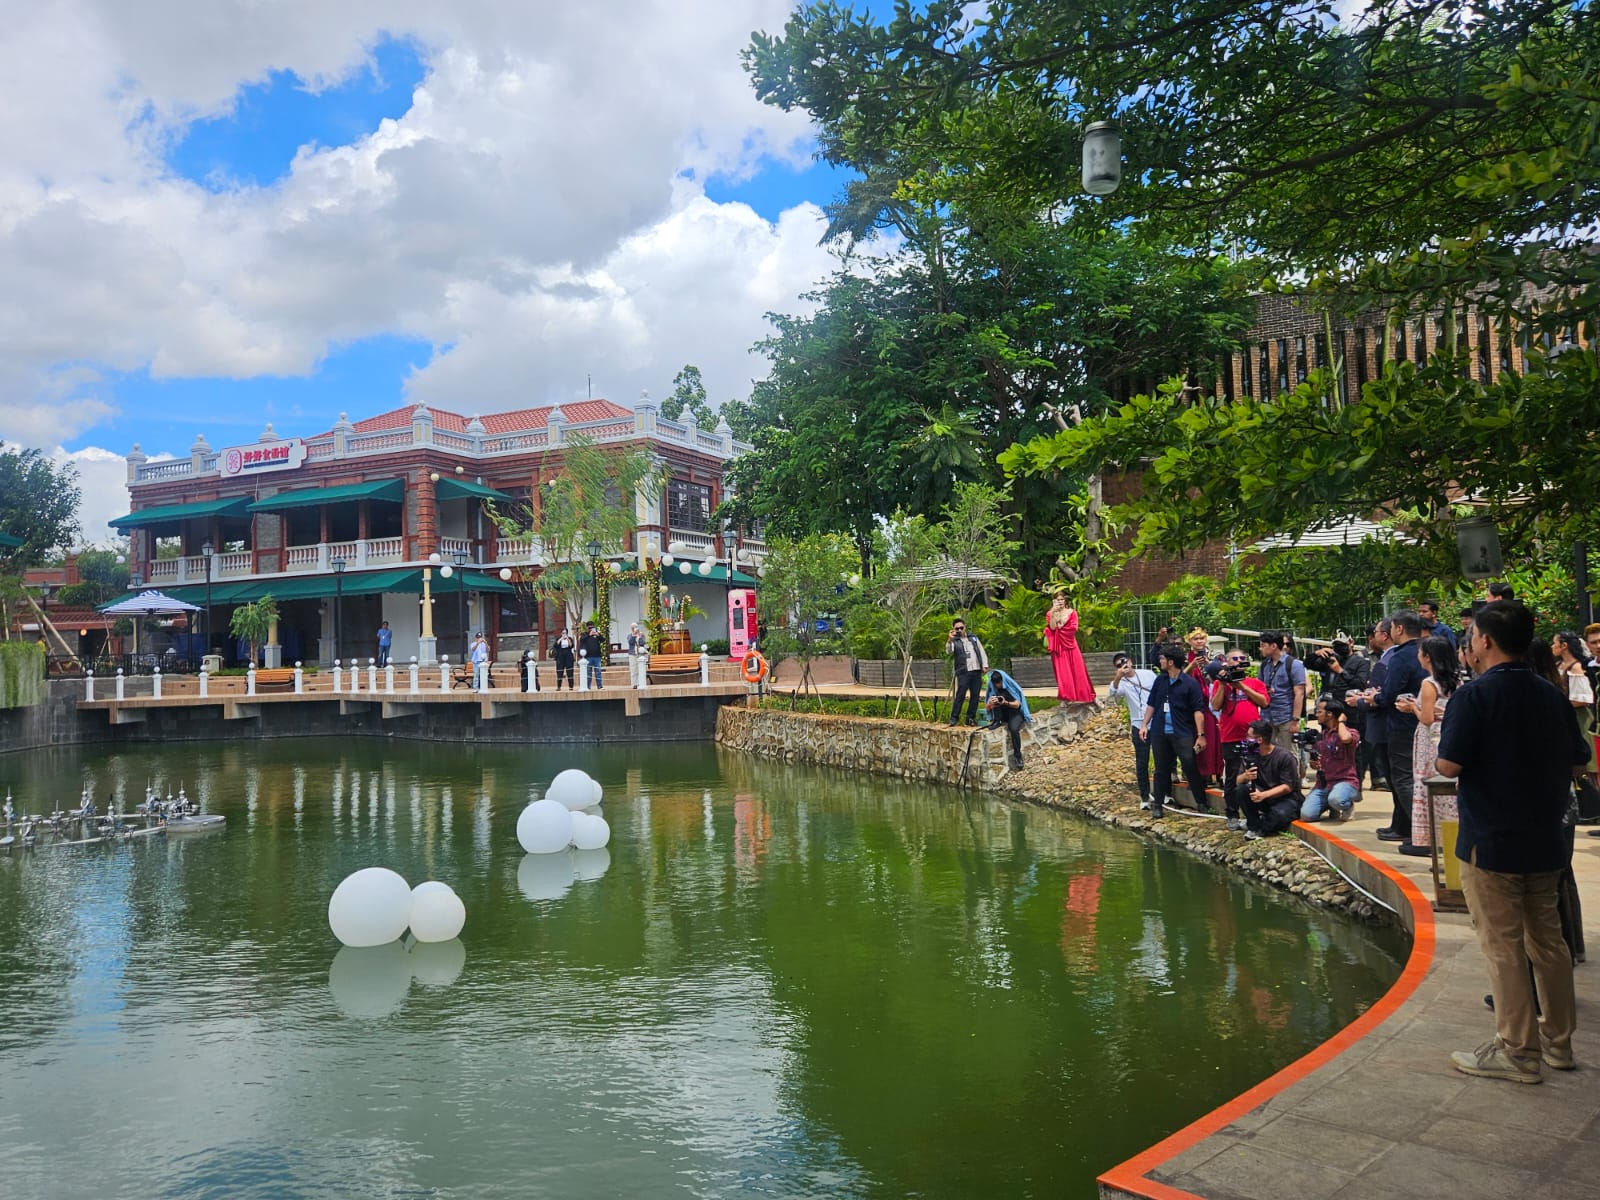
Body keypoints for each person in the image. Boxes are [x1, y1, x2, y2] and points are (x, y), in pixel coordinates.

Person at [1435, 600, 1588, 1083]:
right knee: (1549, 942)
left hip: (1492, 841)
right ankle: (1558, 1044)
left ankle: (1518, 1052)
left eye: (1473, 637)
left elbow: (1448, 766)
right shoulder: (1550, 694)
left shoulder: (1474, 697)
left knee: (1503, 946)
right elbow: (1579, 761)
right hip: (1545, 839)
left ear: (1485, 641)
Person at [1394, 635, 1460, 854]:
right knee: (1448, 791)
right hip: (1447, 735)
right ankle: (1450, 841)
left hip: (1429, 739)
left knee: (1426, 784)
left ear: (1428, 657)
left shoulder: (1429, 683)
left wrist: (1412, 707)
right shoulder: (1456, 680)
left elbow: (1427, 718)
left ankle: (1430, 841)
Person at [1140, 644, 1210, 819]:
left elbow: (1197, 710)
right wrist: (1144, 725)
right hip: (1159, 730)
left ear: (1171, 662)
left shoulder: (1189, 683)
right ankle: (1158, 805)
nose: (1160, 661)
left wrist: (1200, 735)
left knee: (1189, 764)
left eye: (1163, 659)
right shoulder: (1160, 680)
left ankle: (1201, 802)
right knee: (1160, 768)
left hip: (1182, 731)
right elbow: (1151, 704)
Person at [1208, 650, 1269, 831]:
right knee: (1233, 776)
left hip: (1252, 737)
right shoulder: (1221, 683)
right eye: (1235, 658)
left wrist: (1242, 687)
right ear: (1227, 662)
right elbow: (1216, 706)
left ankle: (1256, 811)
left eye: (1242, 658)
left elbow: (1264, 702)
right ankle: (1232, 813)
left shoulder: (1254, 683)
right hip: (1230, 736)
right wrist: (1222, 684)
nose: (1239, 661)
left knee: (1256, 773)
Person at [1235, 717, 1303, 840]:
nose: (1246, 740)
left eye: (1249, 737)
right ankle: (1254, 825)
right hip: (1264, 796)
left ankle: (1261, 827)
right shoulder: (1250, 754)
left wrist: (1264, 795)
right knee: (1242, 789)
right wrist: (1245, 776)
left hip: (1286, 798)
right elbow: (1237, 780)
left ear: (1259, 740)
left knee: (1279, 815)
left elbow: (1287, 787)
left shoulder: (1284, 756)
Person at [1107, 652, 1158, 808]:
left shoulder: (1148, 674)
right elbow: (1113, 695)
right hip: (1138, 725)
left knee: (1162, 760)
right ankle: (1144, 797)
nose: (1124, 665)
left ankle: (1164, 794)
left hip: (1156, 723)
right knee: (1141, 762)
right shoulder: (1121, 683)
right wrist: (1118, 676)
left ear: (1131, 660)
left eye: (1125, 661)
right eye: (1119, 664)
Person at [1301, 696, 1360, 821]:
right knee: (1307, 815)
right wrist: (1314, 763)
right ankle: (1330, 804)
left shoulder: (1351, 732)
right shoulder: (1321, 736)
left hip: (1345, 782)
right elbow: (1316, 761)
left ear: (1330, 714)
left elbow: (1345, 739)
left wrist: (1341, 722)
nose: (1316, 715)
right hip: (1324, 784)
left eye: (1319, 711)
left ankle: (1346, 804)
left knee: (1336, 799)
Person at [1256, 631, 1307, 755]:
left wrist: (1295, 720)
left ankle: (1294, 774)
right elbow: (1259, 687)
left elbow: (1299, 693)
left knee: (1289, 753)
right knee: (1268, 751)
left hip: (1286, 716)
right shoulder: (1264, 665)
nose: (1260, 648)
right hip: (1268, 715)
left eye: (1263, 645)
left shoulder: (1293, 664)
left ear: (1273, 646)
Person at [1184, 628, 1223, 784]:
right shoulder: (1186, 657)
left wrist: (1210, 665)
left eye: (1201, 638)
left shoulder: (1215, 656)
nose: (1199, 641)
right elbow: (1181, 677)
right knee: (1201, 736)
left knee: (1217, 738)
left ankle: (1219, 772)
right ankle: (1203, 773)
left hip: (1213, 699)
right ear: (1190, 641)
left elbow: (1221, 674)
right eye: (1196, 638)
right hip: (1196, 701)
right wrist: (1192, 665)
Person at [1044, 593, 1095, 703]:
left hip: (1070, 644)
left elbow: (1073, 628)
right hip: (1058, 647)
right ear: (1054, 601)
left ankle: (1082, 696)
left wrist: (1062, 627)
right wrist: (1053, 613)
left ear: (1065, 600)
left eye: (1062, 599)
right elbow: (1052, 627)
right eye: (1057, 600)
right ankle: (1066, 697)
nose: (1060, 601)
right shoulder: (1050, 613)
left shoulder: (1072, 613)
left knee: (1078, 670)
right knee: (1063, 672)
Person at [983, 667, 1032, 771]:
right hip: (1002, 714)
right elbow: (987, 708)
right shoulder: (993, 689)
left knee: (1013, 729)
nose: (998, 685)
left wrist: (1005, 702)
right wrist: (991, 704)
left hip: (1015, 713)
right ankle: (997, 721)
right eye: (996, 683)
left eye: (999, 683)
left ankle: (1018, 757)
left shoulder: (1010, 687)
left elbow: (1018, 705)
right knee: (995, 705)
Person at [947, 617, 991, 726]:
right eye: (957, 628)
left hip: (976, 670)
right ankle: (954, 718)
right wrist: (949, 639)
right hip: (963, 671)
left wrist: (984, 665)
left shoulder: (973, 638)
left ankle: (970, 718)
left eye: (961, 627)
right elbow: (948, 651)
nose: (959, 630)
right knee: (960, 695)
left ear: (965, 627)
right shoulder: (954, 641)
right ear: (953, 629)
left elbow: (981, 650)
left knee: (975, 696)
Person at [578, 623, 604, 689]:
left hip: (597, 656)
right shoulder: (584, 634)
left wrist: (598, 635)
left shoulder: (596, 634)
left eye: (592, 628)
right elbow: (582, 640)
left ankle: (600, 686)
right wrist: (589, 635)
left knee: (598, 672)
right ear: (586, 628)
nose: (591, 629)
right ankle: (588, 686)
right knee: (588, 673)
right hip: (588, 656)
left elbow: (603, 640)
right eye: (589, 628)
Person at [626, 622, 649, 689]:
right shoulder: (629, 635)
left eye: (635, 627)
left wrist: (639, 636)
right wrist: (634, 635)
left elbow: (642, 643)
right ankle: (634, 684)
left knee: (641, 669)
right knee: (633, 669)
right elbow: (630, 642)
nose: (634, 629)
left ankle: (641, 683)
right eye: (632, 628)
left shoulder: (641, 635)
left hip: (640, 654)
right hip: (633, 654)